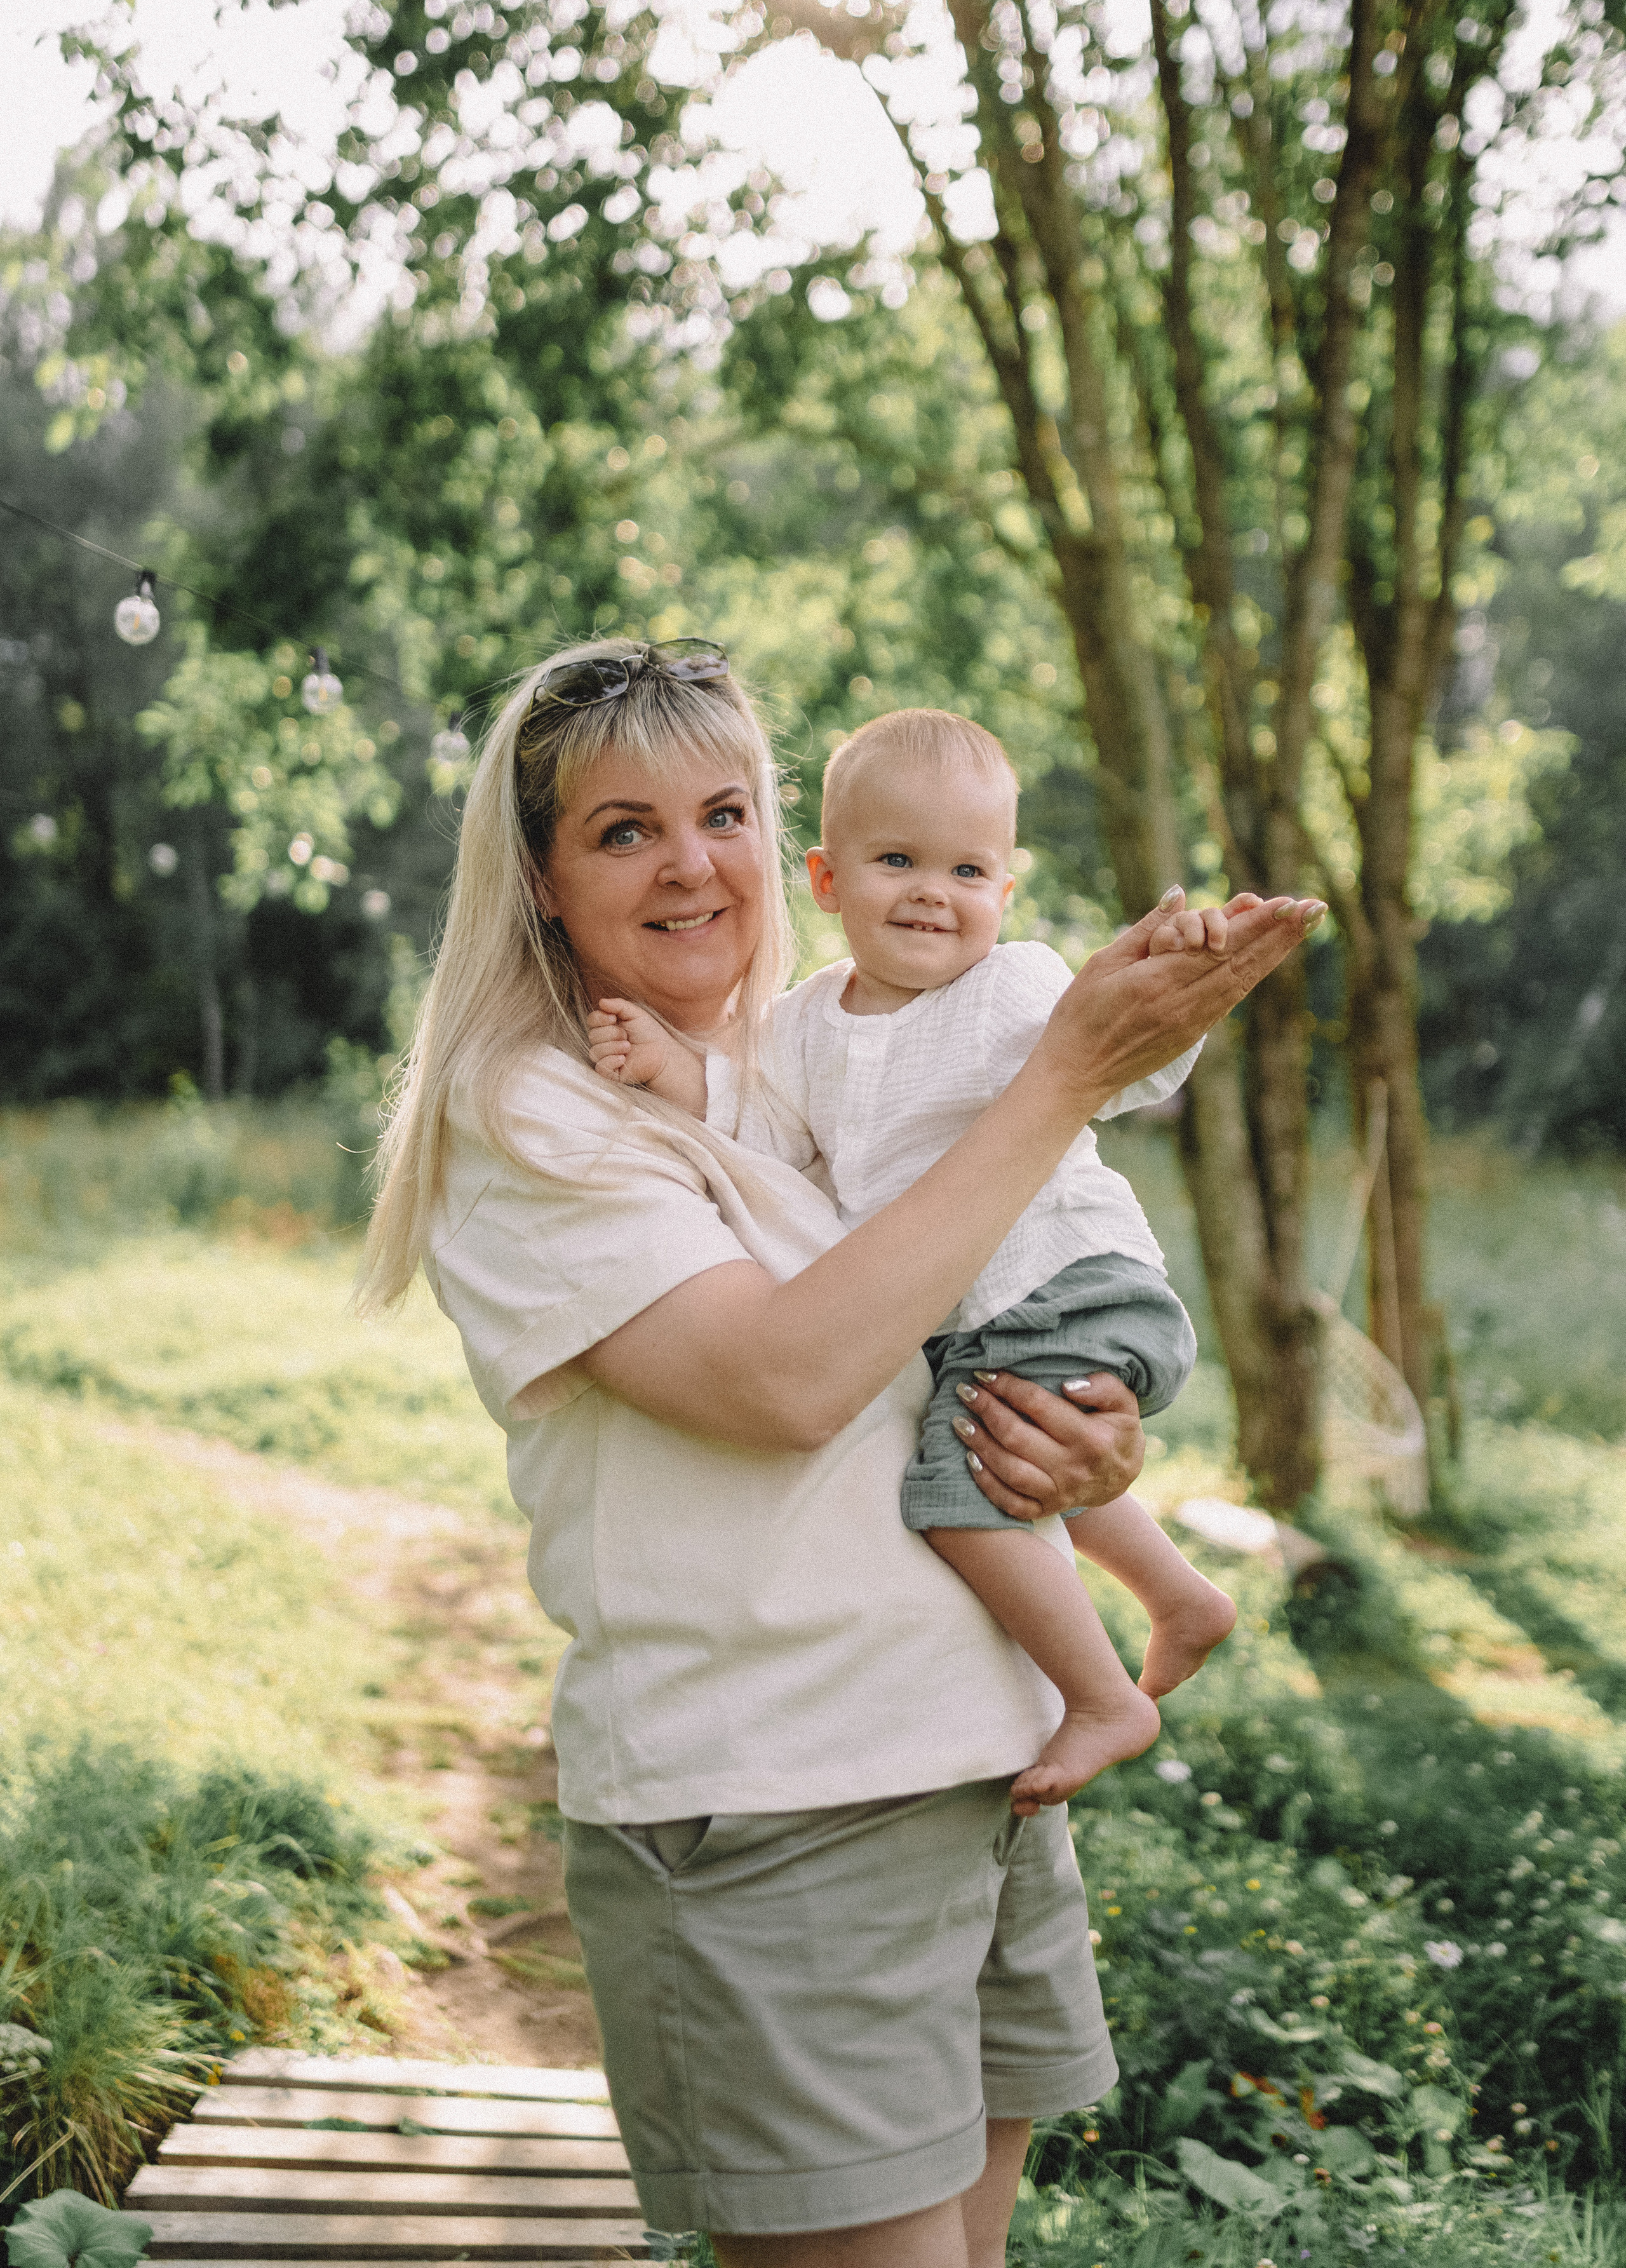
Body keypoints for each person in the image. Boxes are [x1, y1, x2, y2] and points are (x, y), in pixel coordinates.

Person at [358, 637, 1324, 2268]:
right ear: (537, 876)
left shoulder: (800, 1080)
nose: (689, 864)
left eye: (722, 810)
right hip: (778, 1812)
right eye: (622, 829)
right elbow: (788, 1382)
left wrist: (1082, 1457)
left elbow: (918, 1354)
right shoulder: (529, 1112)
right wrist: (1061, 1073)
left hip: (977, 1777)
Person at [587, 706, 1238, 1815]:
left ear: (1005, 893)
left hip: (1070, 1280)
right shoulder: (798, 1025)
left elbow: (1128, 1067)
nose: (935, 892)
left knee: (954, 1495)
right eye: (899, 862)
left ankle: (1099, 1696)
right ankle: (1179, 1597)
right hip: (988, 1316)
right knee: (1009, 1450)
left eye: (968, 869)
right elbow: (755, 1120)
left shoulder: (1017, 986)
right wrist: (667, 1066)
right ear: (830, 882)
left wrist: (1177, 996)